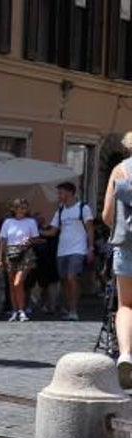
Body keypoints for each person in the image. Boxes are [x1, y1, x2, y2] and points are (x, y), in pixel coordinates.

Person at [101, 132, 132, 389]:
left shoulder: (120, 170)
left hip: (126, 245)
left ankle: (125, 354)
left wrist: (120, 229)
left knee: (126, 305)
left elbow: (107, 214)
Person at [41, 181, 94, 321]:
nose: (59, 195)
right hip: (62, 250)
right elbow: (52, 231)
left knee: (72, 277)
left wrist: (90, 247)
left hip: (78, 248)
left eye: (61, 192)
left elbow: (89, 228)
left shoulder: (83, 208)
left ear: (70, 193)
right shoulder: (60, 210)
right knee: (64, 280)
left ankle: (73, 310)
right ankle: (68, 306)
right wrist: (35, 232)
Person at [0, 199, 40, 322]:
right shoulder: (8, 222)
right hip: (10, 252)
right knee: (11, 284)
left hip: (25, 253)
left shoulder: (31, 222)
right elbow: (3, 241)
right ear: (13, 209)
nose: (21, 210)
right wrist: (0, 259)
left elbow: (36, 238)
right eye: (19, 208)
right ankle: (15, 310)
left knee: (18, 282)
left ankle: (22, 310)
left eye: (24, 207)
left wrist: (29, 241)